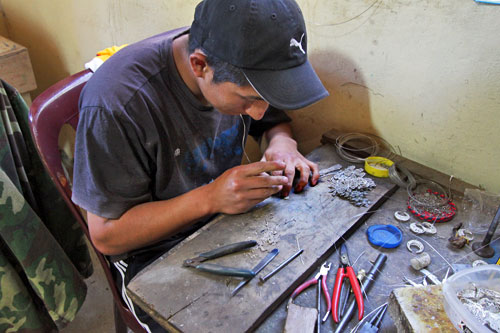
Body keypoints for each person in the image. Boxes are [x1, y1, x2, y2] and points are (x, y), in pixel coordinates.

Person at [72, 0, 328, 331]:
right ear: (199, 65)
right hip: (151, 256)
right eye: (248, 100)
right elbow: (107, 236)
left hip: (223, 220)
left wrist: (283, 144)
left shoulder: (238, 63)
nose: (259, 112)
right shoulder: (117, 105)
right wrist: (210, 198)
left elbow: (271, 119)